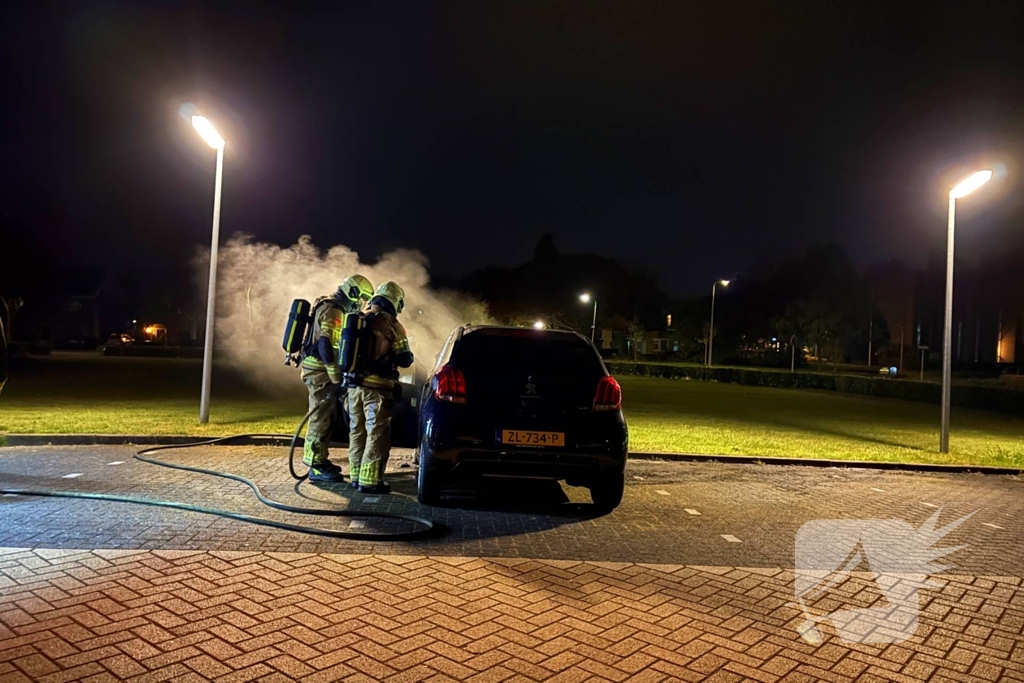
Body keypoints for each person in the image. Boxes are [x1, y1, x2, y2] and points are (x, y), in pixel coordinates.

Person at [300, 274, 374, 482]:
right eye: (361, 298)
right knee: (321, 417)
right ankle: (315, 466)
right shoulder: (335, 311)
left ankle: (318, 459)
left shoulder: (329, 305)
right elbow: (326, 345)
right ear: (353, 293)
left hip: (318, 370)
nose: (361, 304)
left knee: (325, 415)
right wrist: (335, 377)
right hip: (320, 372)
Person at [348, 281, 413, 494]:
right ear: (396, 301)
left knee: (357, 432)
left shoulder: (360, 318)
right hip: (378, 389)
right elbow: (404, 359)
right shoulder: (391, 324)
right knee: (377, 433)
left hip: (354, 388)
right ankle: (371, 480)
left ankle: (356, 476)